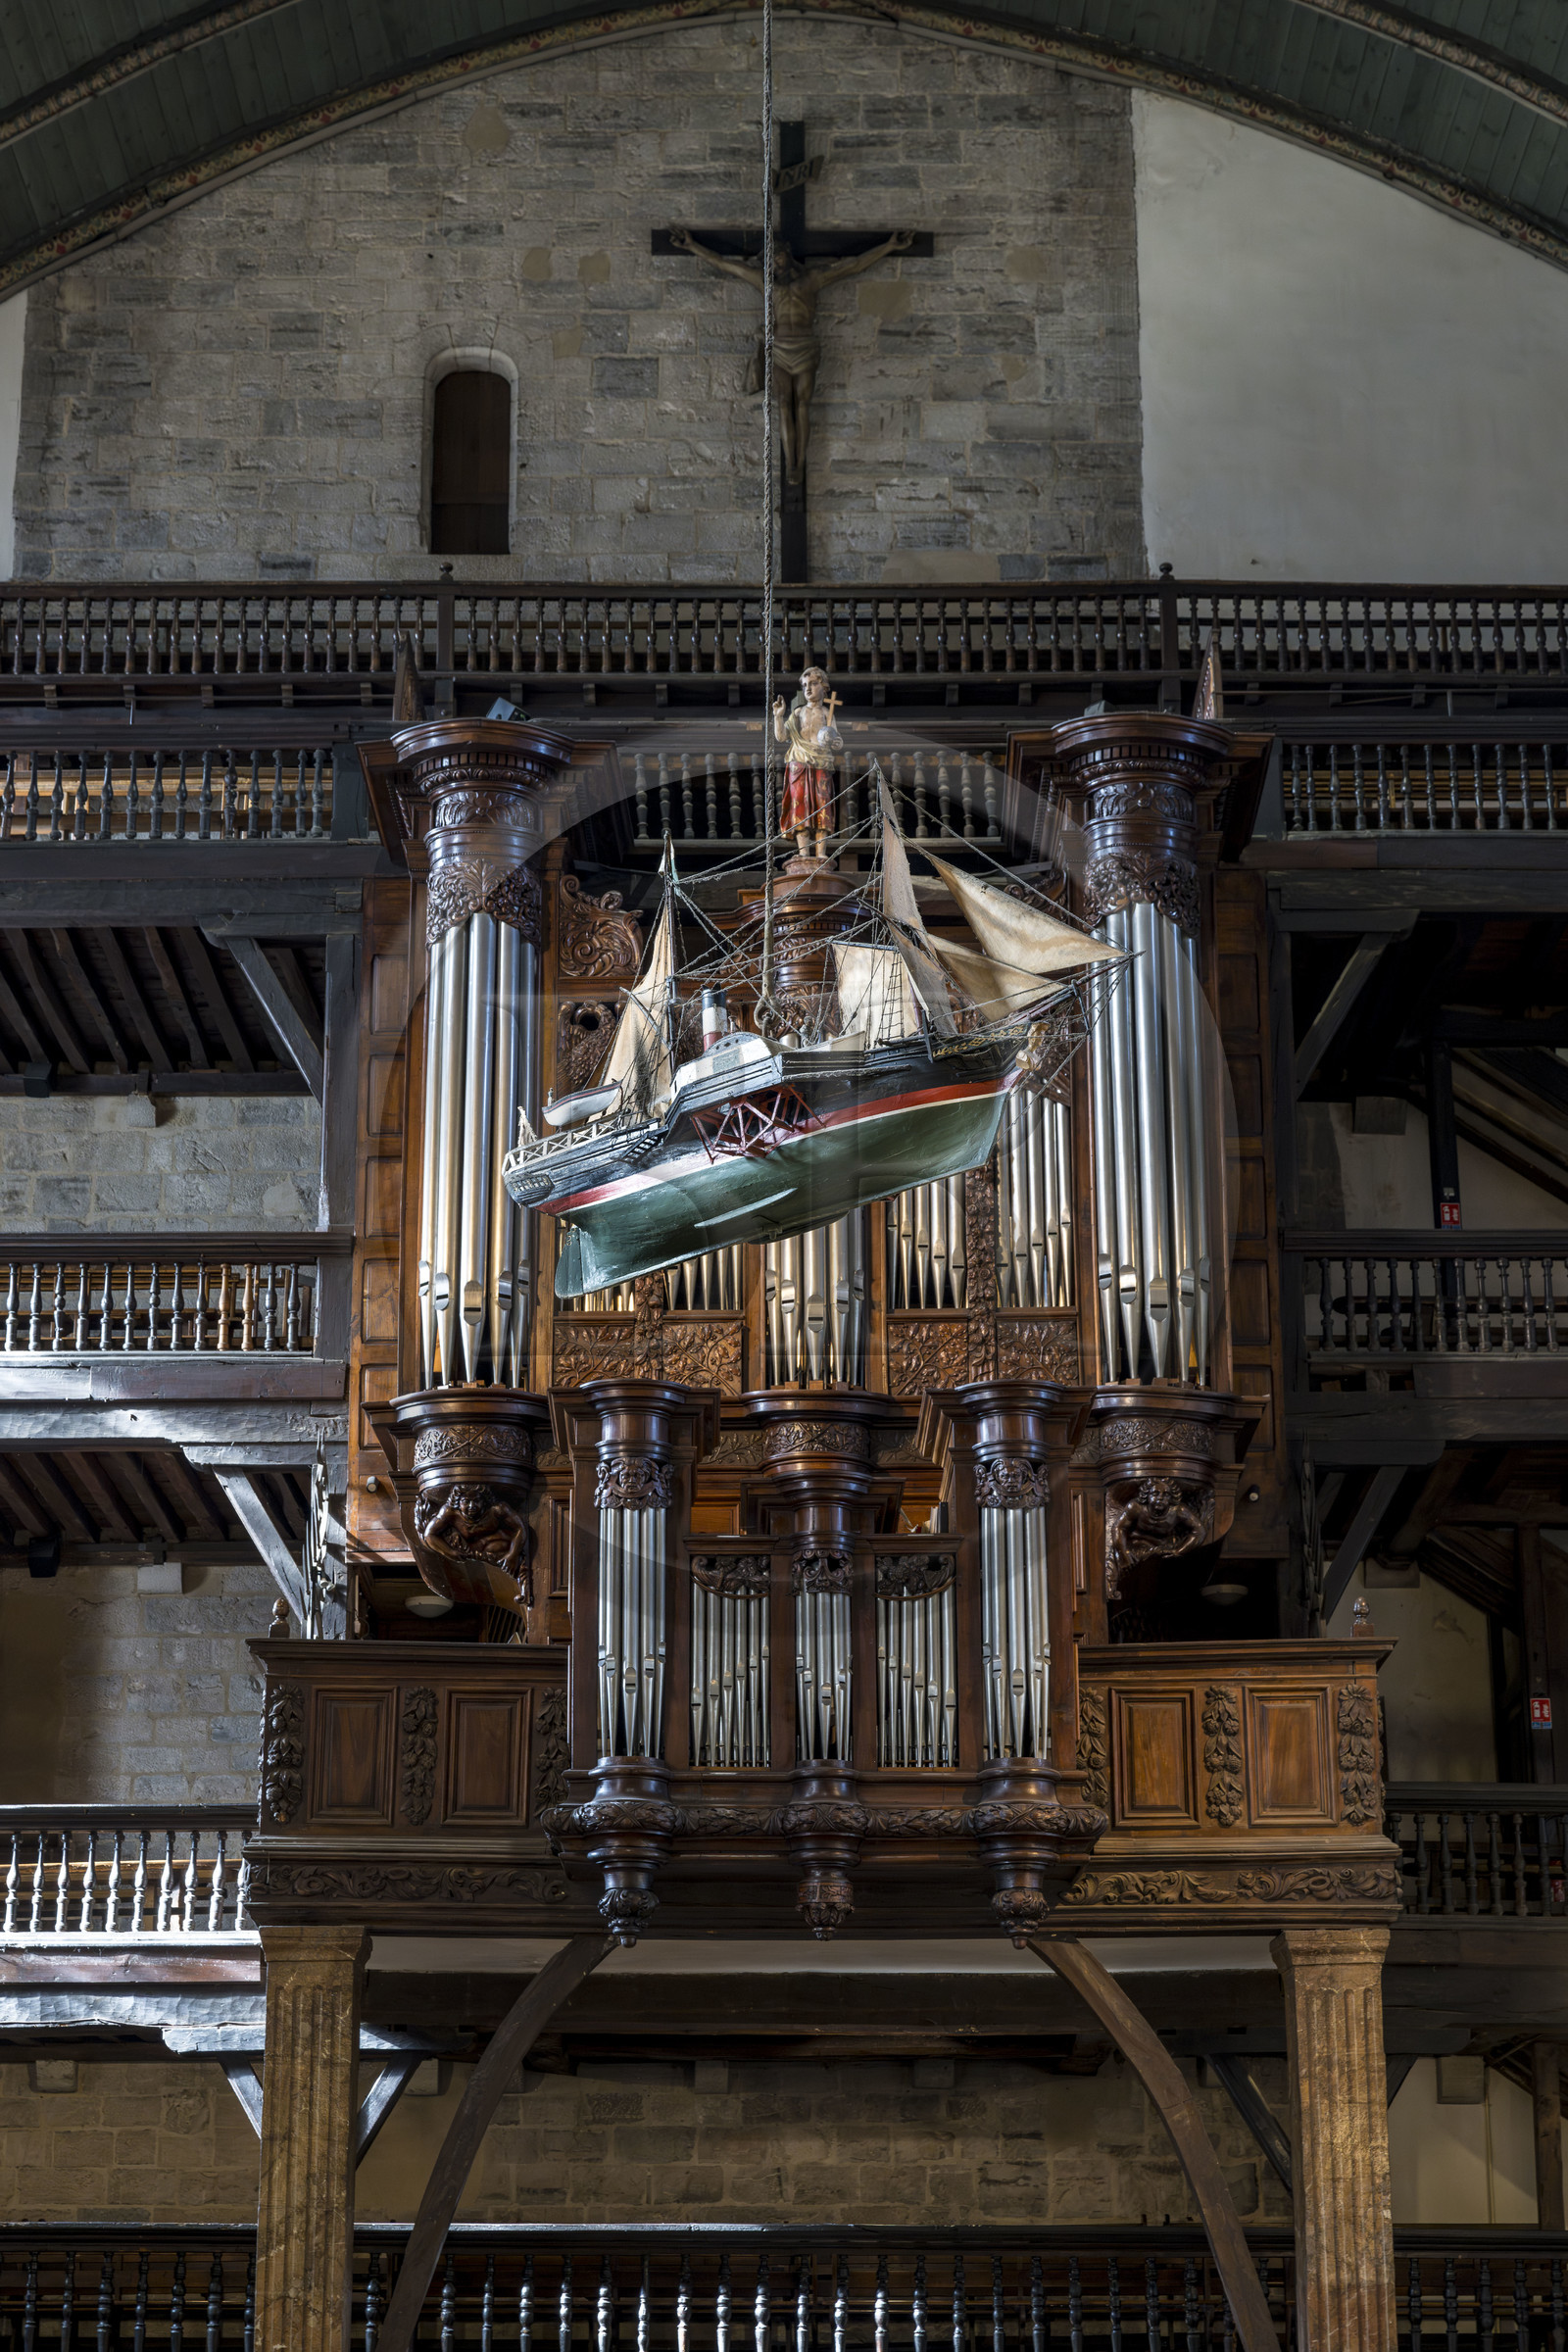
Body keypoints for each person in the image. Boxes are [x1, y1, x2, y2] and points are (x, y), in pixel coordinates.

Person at [773, 665, 842, 858]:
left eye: (813, 683)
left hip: (821, 763)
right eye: (805, 686)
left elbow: (837, 740)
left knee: (823, 804)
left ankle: (821, 854)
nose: (808, 689)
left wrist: (837, 741)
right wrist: (778, 717)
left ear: (824, 686)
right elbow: (781, 736)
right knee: (799, 805)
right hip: (799, 762)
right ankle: (803, 853)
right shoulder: (797, 713)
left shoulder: (828, 713)